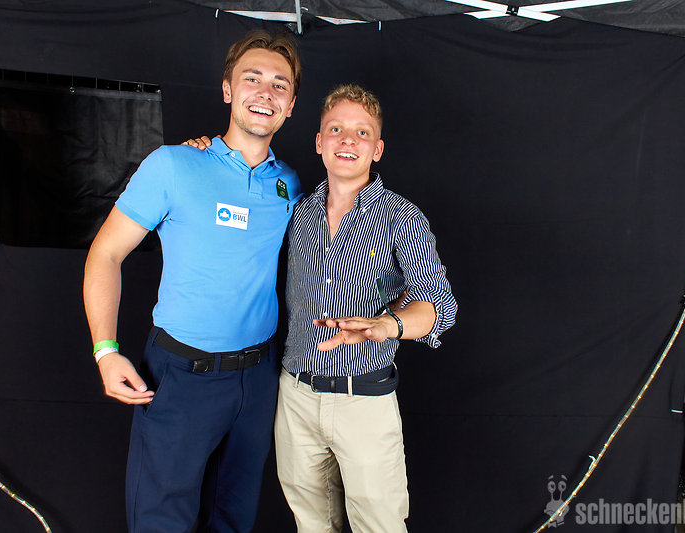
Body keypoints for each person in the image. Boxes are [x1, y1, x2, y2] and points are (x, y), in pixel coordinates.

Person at [82, 29, 302, 533]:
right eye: (252, 78)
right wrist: (105, 350)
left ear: (290, 106)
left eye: (280, 84)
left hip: (257, 380)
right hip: (180, 377)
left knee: (233, 520)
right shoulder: (174, 165)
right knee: (161, 523)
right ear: (227, 89)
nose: (265, 92)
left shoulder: (288, 184)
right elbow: (106, 254)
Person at [276, 84, 457, 532]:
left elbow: (440, 305)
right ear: (319, 141)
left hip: (364, 399)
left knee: (379, 525)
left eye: (362, 132)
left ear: (377, 149)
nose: (348, 140)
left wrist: (387, 325)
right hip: (296, 396)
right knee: (311, 524)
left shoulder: (401, 217)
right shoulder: (298, 212)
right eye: (336, 129)